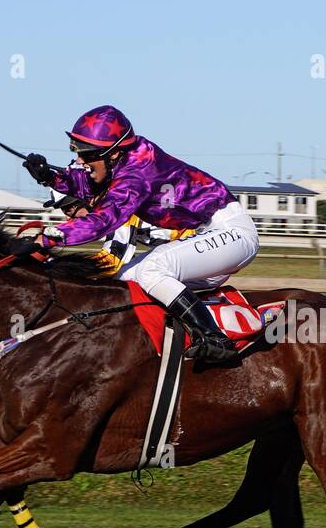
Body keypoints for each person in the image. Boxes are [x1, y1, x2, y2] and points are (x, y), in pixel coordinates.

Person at [18, 105, 257, 363]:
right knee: (123, 280)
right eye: (76, 152)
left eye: (85, 154)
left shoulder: (138, 173)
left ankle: (214, 339)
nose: (79, 161)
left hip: (232, 232)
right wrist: (51, 178)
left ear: (113, 154)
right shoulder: (123, 160)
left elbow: (104, 219)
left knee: (152, 268)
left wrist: (47, 239)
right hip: (206, 234)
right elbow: (91, 182)